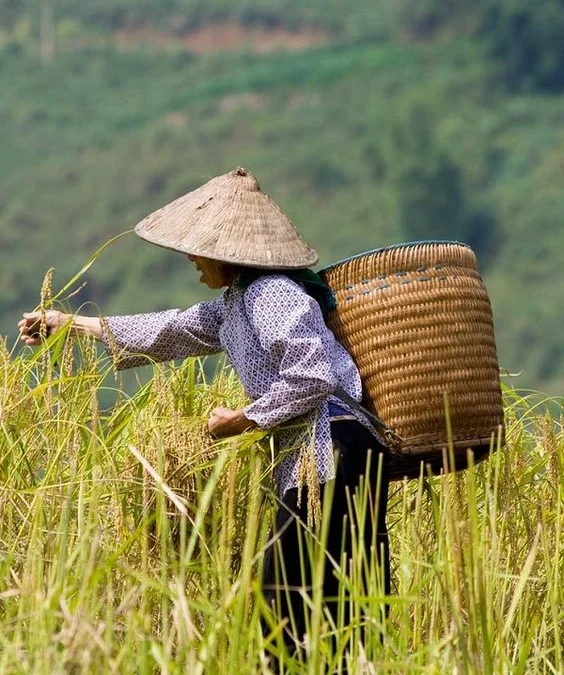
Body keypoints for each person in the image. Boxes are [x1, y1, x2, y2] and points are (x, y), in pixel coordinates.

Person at [18, 167, 390, 658]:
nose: (193, 260)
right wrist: (71, 324)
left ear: (227, 253)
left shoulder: (270, 292)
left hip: (332, 455)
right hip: (314, 461)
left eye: (199, 250)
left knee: (296, 605)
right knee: (322, 603)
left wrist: (245, 419)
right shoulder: (235, 303)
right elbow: (170, 329)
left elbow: (313, 374)